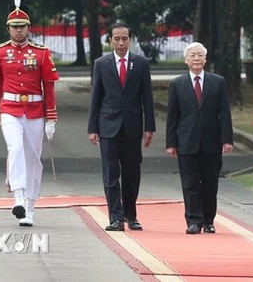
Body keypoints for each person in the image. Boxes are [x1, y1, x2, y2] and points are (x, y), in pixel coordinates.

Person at [0, 0, 59, 227]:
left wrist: (51, 118)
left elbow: (48, 87)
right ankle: (18, 196)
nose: (18, 30)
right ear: (8, 28)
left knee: (32, 158)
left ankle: (30, 205)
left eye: (22, 26)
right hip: (9, 108)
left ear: (29, 27)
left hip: (35, 110)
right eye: (14, 26)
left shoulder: (41, 53)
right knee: (15, 147)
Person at [87, 23, 155, 231]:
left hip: (132, 127)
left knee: (132, 173)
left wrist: (149, 127)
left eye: (125, 38)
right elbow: (96, 97)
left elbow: (147, 98)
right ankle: (115, 217)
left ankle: (130, 214)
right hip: (108, 126)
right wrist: (93, 128)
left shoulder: (141, 64)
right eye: (116, 39)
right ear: (110, 41)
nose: (121, 43)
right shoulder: (101, 64)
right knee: (110, 173)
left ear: (130, 40)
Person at [165, 42, 233, 234]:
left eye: (200, 55)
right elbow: (173, 116)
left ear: (205, 59)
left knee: (210, 182)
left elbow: (224, 113)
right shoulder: (177, 84)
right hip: (187, 141)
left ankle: (208, 220)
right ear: (186, 60)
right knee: (190, 183)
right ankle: (193, 221)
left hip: (211, 141)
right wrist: (171, 143)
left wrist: (227, 139)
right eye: (192, 55)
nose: (196, 59)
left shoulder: (217, 82)